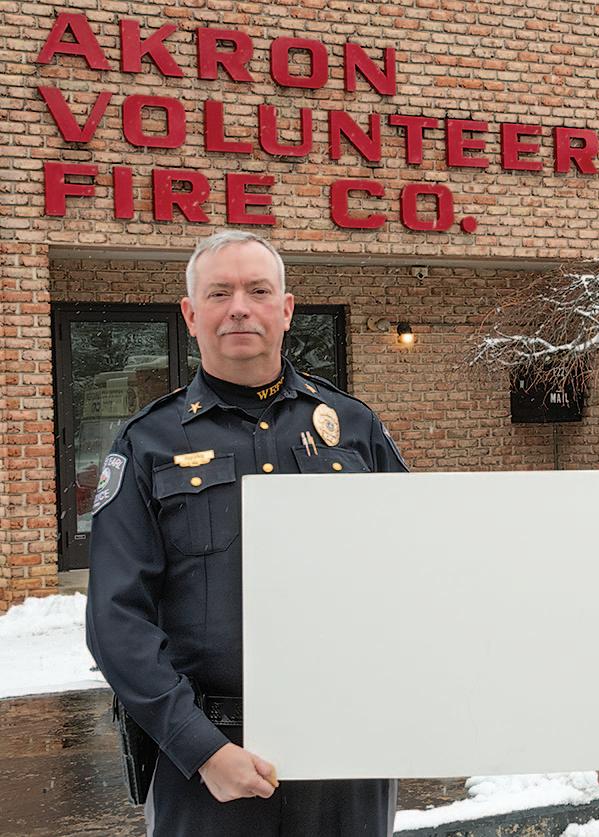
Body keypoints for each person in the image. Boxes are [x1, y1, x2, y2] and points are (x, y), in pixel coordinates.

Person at [86, 230, 406, 836]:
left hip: (348, 744)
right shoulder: (149, 442)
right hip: (209, 764)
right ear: (191, 314)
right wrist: (200, 747)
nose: (239, 307)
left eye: (258, 290)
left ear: (286, 309)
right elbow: (116, 618)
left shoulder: (353, 427)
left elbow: (425, 578)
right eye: (219, 293)